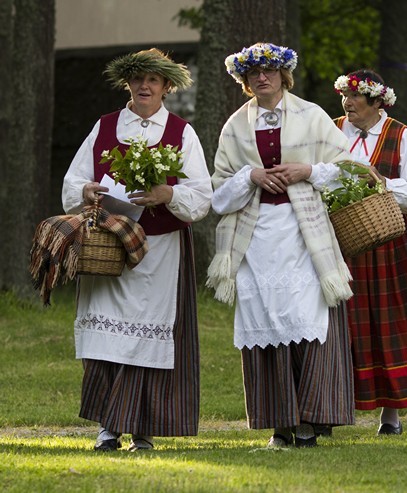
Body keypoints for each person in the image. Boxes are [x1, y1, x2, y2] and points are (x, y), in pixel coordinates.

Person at [61, 48, 212, 451]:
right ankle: (108, 428)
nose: (145, 86)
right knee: (106, 335)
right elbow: (73, 181)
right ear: (128, 84)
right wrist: (87, 190)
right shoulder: (105, 126)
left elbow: (200, 197)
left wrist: (167, 193)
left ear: (166, 87)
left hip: (160, 251)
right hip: (108, 249)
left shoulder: (182, 132)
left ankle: (143, 430)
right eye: (138, 79)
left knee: (150, 337)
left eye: (153, 80)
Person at [207, 42, 355, 448]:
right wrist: (250, 177)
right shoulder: (235, 126)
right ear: (244, 80)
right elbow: (217, 194)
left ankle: (309, 421)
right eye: (253, 72)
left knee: (307, 321)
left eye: (269, 69)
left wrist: (308, 170)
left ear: (284, 74)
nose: (262, 77)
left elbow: (352, 173)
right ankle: (279, 425)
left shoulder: (312, 115)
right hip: (255, 238)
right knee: (268, 323)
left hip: (305, 233)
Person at [333, 69, 407, 434]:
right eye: (344, 96)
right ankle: (329, 408)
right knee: (338, 324)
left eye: (355, 96)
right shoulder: (331, 130)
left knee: (389, 321)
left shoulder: (398, 133)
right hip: (339, 241)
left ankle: (390, 415)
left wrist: (383, 183)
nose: (347, 103)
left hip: (387, 241)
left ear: (377, 101)